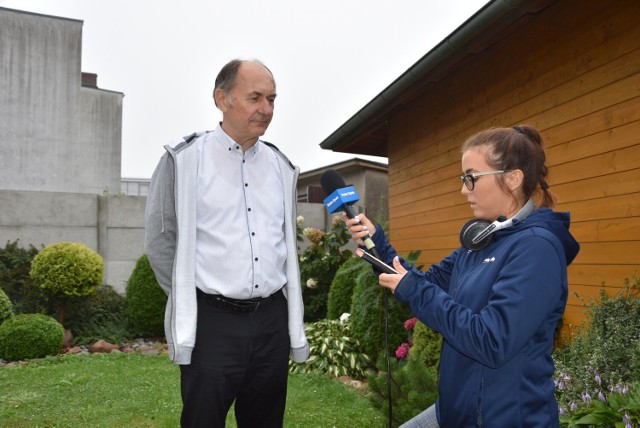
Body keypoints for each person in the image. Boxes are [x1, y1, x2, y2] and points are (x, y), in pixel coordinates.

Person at [345, 125, 580, 427]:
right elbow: (424, 284)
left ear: (512, 178)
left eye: (471, 177)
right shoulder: (481, 241)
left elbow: (492, 341)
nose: (463, 189)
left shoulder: (537, 249)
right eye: (462, 179)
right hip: (456, 412)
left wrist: (415, 290)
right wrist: (376, 242)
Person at [145, 59, 309, 428]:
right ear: (222, 98)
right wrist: (190, 297)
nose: (266, 109)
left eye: (272, 99)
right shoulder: (184, 159)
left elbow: (283, 246)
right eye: (255, 98)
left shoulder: (282, 167)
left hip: (271, 320)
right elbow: (161, 242)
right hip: (213, 322)